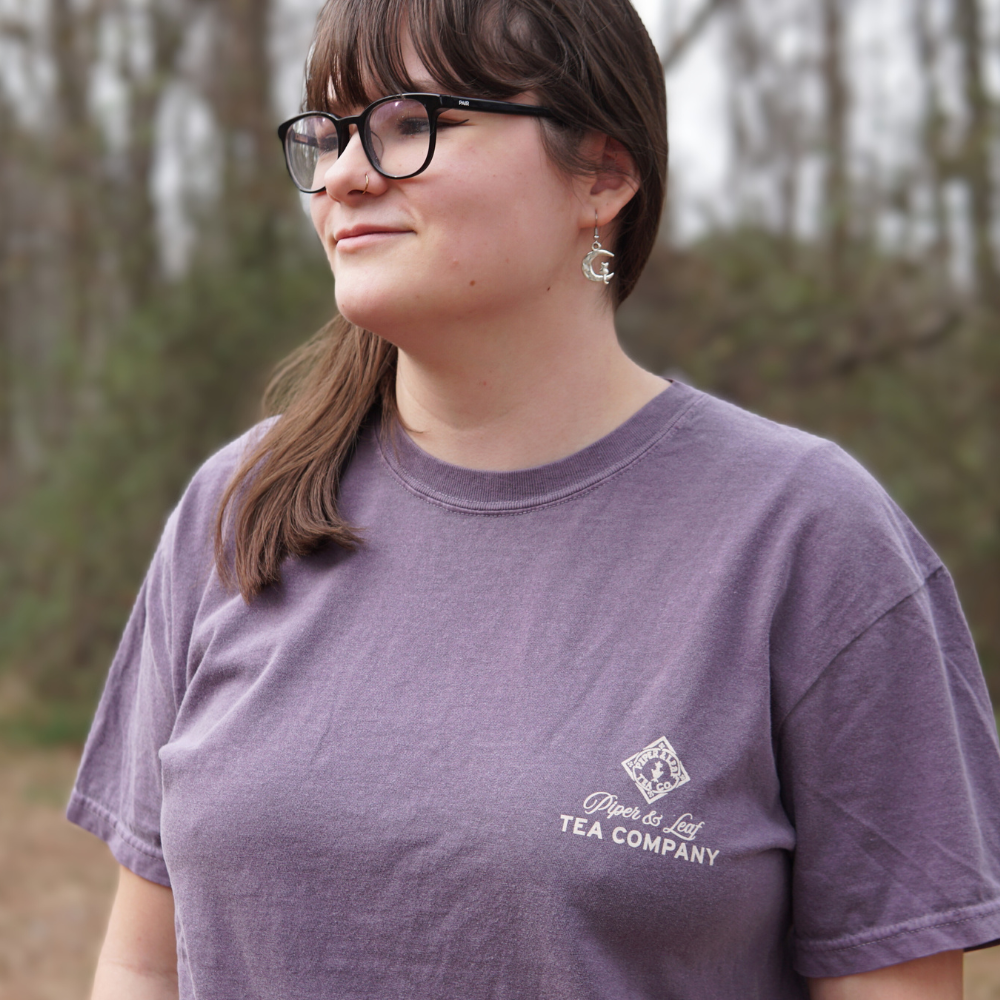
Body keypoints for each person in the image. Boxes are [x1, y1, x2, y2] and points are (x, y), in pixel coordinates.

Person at [68, 0, 1000, 997]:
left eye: (410, 122)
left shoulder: (805, 537)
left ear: (603, 172)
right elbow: (141, 965)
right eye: (329, 134)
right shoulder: (243, 508)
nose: (342, 175)